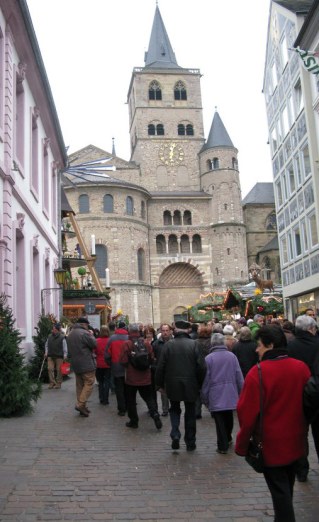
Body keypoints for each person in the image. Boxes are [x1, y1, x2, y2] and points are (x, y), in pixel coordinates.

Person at [235, 325, 310, 522]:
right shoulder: (301, 368)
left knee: (280, 493)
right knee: (286, 488)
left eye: (259, 345)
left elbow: (246, 414)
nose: (256, 349)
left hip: (271, 445)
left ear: (270, 345)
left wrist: (242, 445)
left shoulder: (257, 372)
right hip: (297, 440)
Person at [155, 320, 206, 451]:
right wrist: (200, 383)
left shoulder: (168, 345)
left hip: (172, 383)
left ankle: (175, 433)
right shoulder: (195, 344)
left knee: (174, 408)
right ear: (187, 330)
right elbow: (201, 367)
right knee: (190, 411)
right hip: (190, 383)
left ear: (175, 330)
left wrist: (159, 384)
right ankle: (190, 441)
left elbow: (160, 367)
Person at [287, 314, 319, 481]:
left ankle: (302, 469)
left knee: (300, 433)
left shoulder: (290, 346)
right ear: (310, 329)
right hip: (317, 393)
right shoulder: (317, 343)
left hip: (297, 394)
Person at [201, 333, 243, 454]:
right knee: (229, 417)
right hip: (230, 392)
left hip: (215, 393)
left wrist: (204, 396)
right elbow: (238, 375)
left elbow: (206, 380)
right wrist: (242, 391)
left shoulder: (209, 358)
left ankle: (222, 445)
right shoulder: (232, 357)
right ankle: (228, 438)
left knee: (219, 421)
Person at [119, 323, 162, 430]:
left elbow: (123, 361)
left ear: (129, 331)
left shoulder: (127, 344)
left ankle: (134, 421)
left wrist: (128, 366)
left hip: (131, 378)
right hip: (145, 377)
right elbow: (152, 359)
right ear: (139, 332)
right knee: (149, 398)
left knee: (131, 400)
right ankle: (154, 413)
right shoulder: (147, 343)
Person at [67, 317, 97, 417]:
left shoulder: (71, 333)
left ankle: (82, 407)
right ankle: (80, 404)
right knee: (89, 383)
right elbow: (94, 344)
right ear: (84, 324)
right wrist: (92, 335)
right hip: (86, 363)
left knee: (80, 385)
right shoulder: (85, 333)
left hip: (75, 363)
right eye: (87, 325)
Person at [104, 320, 129, 416]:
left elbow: (107, 354)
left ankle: (121, 409)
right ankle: (128, 406)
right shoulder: (128, 337)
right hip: (127, 367)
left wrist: (110, 364)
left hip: (116, 366)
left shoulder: (112, 339)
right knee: (127, 388)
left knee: (119, 389)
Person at [150, 323, 172, 416]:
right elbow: (153, 357)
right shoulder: (156, 344)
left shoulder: (174, 343)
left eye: (167, 330)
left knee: (173, 391)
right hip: (162, 371)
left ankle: (173, 407)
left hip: (172, 371)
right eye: (163, 331)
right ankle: (165, 409)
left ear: (170, 331)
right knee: (164, 392)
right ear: (160, 331)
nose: (165, 333)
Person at [194, 323, 212, 419]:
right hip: (210, 367)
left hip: (199, 368)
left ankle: (197, 411)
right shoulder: (212, 342)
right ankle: (213, 410)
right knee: (210, 389)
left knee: (198, 390)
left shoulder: (195, 342)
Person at [45, 322, 68, 389]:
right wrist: (46, 352)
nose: (53, 330)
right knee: (50, 369)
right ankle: (52, 382)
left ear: (57, 330)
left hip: (59, 356)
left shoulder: (62, 337)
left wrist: (65, 354)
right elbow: (46, 345)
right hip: (50, 355)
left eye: (54, 329)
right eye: (53, 329)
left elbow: (65, 347)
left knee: (59, 370)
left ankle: (58, 383)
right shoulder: (49, 336)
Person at [93, 325, 111, 405]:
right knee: (107, 381)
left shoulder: (96, 341)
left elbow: (94, 352)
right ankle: (106, 399)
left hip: (99, 364)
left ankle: (101, 398)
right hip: (108, 364)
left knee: (100, 382)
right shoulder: (110, 340)